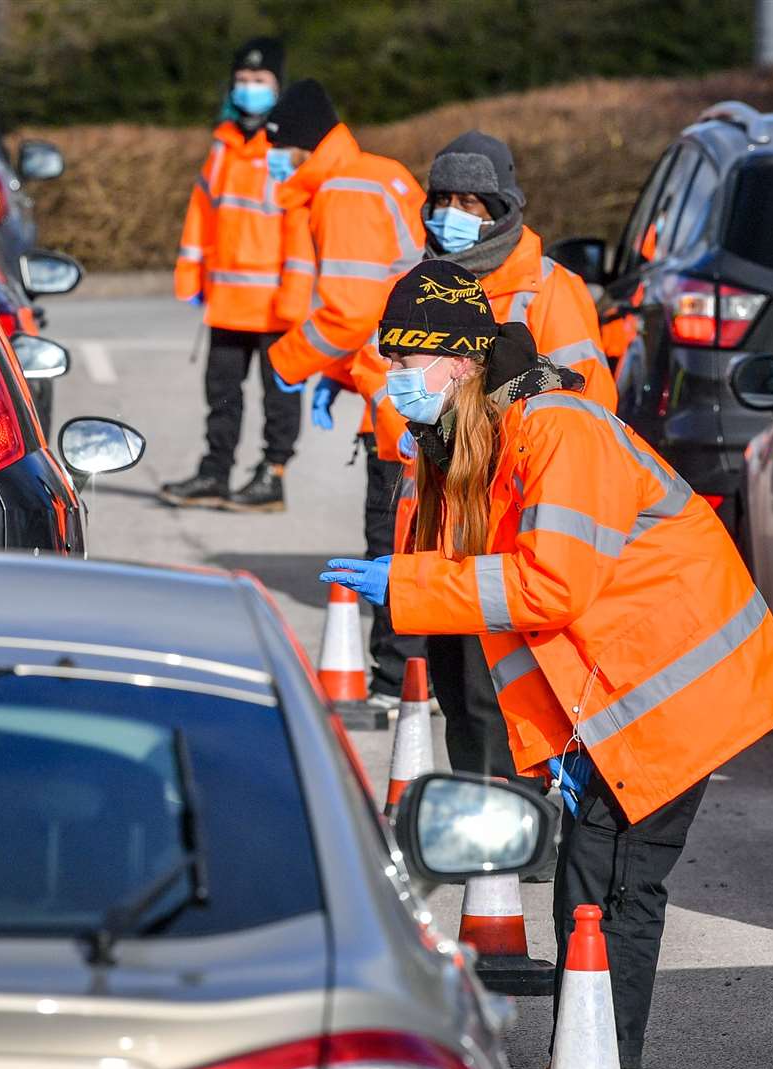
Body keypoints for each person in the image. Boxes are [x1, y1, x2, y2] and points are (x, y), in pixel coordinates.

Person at [322, 260, 773, 1069]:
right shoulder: (490, 439)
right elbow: (505, 608)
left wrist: (403, 585)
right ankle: (595, 1056)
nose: (391, 381)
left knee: (610, 883)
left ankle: (604, 1060)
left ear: (460, 362)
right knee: (591, 872)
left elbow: (550, 585)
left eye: (404, 366)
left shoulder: (557, 431)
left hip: (675, 688)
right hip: (626, 693)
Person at [355, 129, 617, 778]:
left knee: (505, 687)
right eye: (443, 199)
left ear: (503, 208)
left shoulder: (547, 288)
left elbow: (590, 404)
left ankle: (515, 811)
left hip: (515, 514)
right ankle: (482, 805)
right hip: (438, 505)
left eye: (473, 203)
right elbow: (381, 366)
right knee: (457, 681)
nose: (454, 215)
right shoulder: (418, 280)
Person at [262, 78, 427, 709]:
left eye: (278, 148)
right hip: (399, 378)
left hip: (396, 394)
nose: (274, 161)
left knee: (393, 535)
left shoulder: (343, 194)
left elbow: (352, 311)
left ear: (301, 145)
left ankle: (398, 682)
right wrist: (335, 376)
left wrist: (292, 362)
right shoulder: (374, 174)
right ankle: (413, 672)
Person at [161, 37, 314, 512]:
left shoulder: (291, 147)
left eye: (260, 80)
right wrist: (190, 275)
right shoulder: (223, 145)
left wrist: (297, 292)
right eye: (243, 80)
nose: (250, 88)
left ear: (278, 86)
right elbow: (201, 214)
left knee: (279, 396)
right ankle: (215, 472)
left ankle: (272, 475)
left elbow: (302, 223)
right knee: (222, 393)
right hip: (227, 299)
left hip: (277, 301)